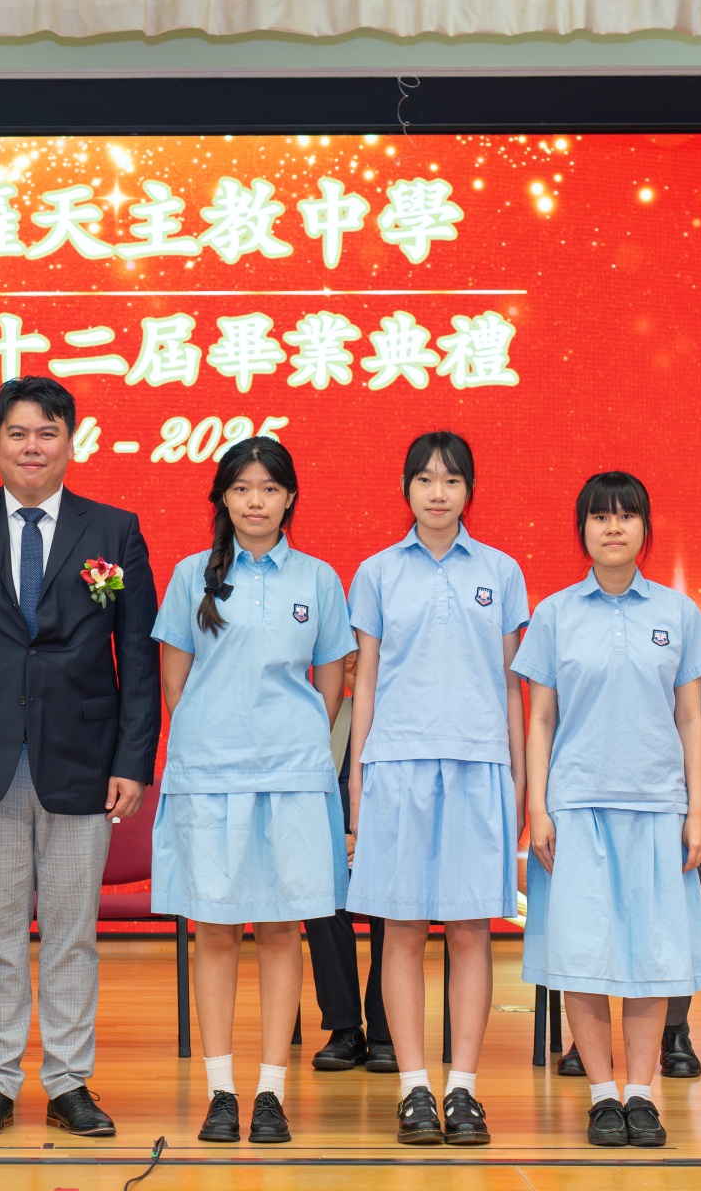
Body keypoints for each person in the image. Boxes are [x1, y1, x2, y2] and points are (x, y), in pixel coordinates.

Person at [0, 376, 161, 1139]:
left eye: (47, 433)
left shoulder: (113, 530)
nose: (32, 447)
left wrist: (134, 762)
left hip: (84, 759)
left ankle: (68, 1082)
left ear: (70, 443)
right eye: (18, 433)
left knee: (71, 931)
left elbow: (138, 657)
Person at [151, 437, 352, 1144]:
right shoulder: (190, 576)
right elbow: (175, 684)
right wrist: (220, 737)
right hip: (211, 774)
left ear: (290, 496)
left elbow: (331, 684)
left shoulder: (319, 579)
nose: (256, 501)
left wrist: (288, 739)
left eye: (269, 488)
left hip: (291, 777)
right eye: (241, 489)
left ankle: (270, 1092)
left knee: (280, 928)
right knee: (214, 929)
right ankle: (221, 1092)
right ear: (223, 499)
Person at [514, 471, 701, 1149]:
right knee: (582, 954)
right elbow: (541, 720)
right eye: (599, 517)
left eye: (625, 516)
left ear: (644, 529)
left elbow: (690, 719)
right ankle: (602, 1096)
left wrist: (695, 810)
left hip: (657, 807)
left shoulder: (677, 613)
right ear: (582, 530)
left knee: (651, 958)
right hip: (576, 807)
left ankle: (641, 1094)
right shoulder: (554, 614)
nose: (612, 527)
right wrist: (539, 808)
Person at [343, 431, 527, 1146]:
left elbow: (511, 687)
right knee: (402, 928)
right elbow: (364, 687)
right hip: (397, 764)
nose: (438, 492)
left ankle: (464, 1089)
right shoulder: (378, 573)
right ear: (406, 489)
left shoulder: (501, 572)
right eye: (424, 479)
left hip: (479, 764)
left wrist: (518, 780)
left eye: (451, 480)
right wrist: (358, 783)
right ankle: (413, 1087)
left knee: (472, 930)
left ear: (469, 490)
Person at [558, 695, 701, 1079]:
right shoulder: (594, 704)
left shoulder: (696, 708)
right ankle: (589, 1039)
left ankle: (674, 1030)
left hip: (674, 846)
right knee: (590, 904)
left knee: (663, 904)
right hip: (605, 845)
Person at [305, 651, 395, 1074]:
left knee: (394, 907)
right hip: (335, 845)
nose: (356, 664)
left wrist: (372, 841)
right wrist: (332, 840)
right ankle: (344, 1029)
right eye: (348, 657)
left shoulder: (399, 714)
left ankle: (386, 1032)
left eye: (364, 654)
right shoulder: (323, 716)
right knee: (321, 898)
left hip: (392, 847)